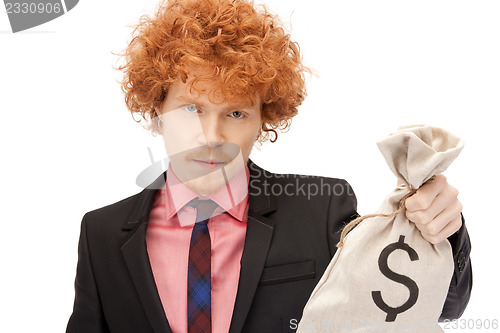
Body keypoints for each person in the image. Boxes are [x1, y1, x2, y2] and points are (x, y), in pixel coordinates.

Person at [66, 0, 472, 332]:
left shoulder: (322, 209)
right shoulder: (100, 234)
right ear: (158, 109)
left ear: (265, 119)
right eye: (192, 107)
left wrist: (442, 230)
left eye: (237, 114)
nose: (211, 136)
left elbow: (440, 307)